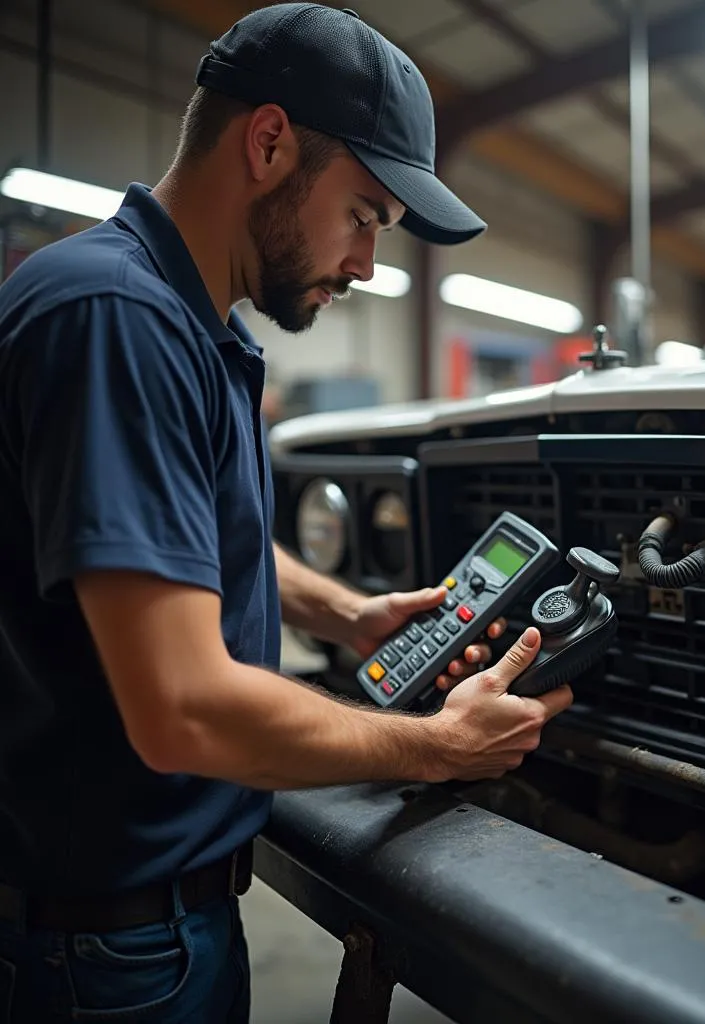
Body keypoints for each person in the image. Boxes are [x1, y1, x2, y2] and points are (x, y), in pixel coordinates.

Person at [0, 5, 573, 1021]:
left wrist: (338, 613)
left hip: (143, 932)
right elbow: (183, 707)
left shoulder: (178, 319)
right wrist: (436, 744)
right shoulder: (117, 320)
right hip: (108, 957)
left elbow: (165, 534)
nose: (364, 263)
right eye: (363, 215)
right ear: (268, 143)